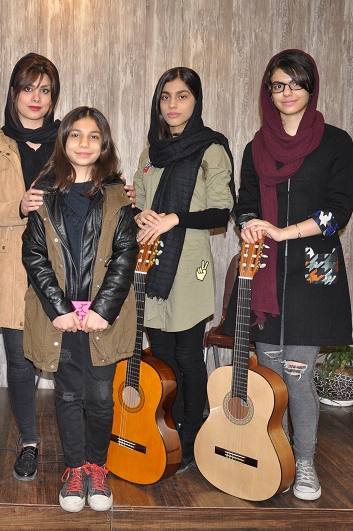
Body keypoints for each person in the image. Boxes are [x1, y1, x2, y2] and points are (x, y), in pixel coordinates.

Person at [225, 49, 353, 501]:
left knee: (298, 377)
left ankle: (304, 463)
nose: (288, 92)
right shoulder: (255, 147)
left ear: (310, 88)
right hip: (263, 271)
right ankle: (268, 453)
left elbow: (338, 210)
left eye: (296, 84)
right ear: (269, 91)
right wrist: (249, 224)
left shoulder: (335, 143)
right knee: (271, 378)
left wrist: (283, 232)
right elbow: (244, 202)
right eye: (279, 85)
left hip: (313, 273)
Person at [22, 107, 137, 513]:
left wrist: (103, 308)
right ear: (63, 141)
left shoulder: (118, 196)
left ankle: (97, 467)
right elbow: (34, 256)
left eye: (93, 136)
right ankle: (74, 468)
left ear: (103, 144)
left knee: (101, 396)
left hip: (105, 318)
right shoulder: (44, 195)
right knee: (68, 394)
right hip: (63, 319)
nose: (84, 143)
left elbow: (125, 255)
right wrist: (59, 309)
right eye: (75, 135)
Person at [133, 67, 235, 473]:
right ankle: (168, 429)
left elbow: (221, 211)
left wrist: (175, 218)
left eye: (182, 96)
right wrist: (138, 214)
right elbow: (140, 204)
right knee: (161, 354)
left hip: (190, 263)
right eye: (166, 97)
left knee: (189, 354)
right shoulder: (150, 154)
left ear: (196, 100)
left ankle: (193, 435)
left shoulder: (211, 149)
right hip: (151, 264)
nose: (173, 105)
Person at [0, 53, 61, 481]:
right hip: (12, 265)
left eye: (45, 90)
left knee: (68, 357)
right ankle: (28, 442)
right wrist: (19, 205)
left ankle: (77, 445)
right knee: (21, 361)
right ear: (14, 93)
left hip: (63, 265)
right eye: (28, 88)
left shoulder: (69, 139)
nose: (36, 98)